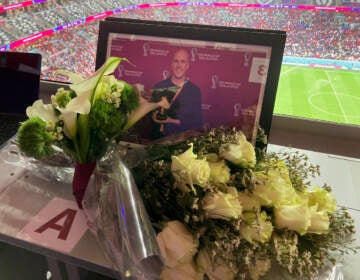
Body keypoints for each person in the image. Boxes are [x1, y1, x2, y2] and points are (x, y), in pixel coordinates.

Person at [151, 48, 202, 139]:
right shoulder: (159, 86)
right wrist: (154, 117)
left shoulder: (194, 91)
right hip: (158, 140)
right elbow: (151, 117)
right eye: (176, 61)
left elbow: (196, 122)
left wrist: (169, 120)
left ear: (188, 65)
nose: (179, 65)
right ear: (171, 64)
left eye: (183, 62)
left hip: (181, 141)